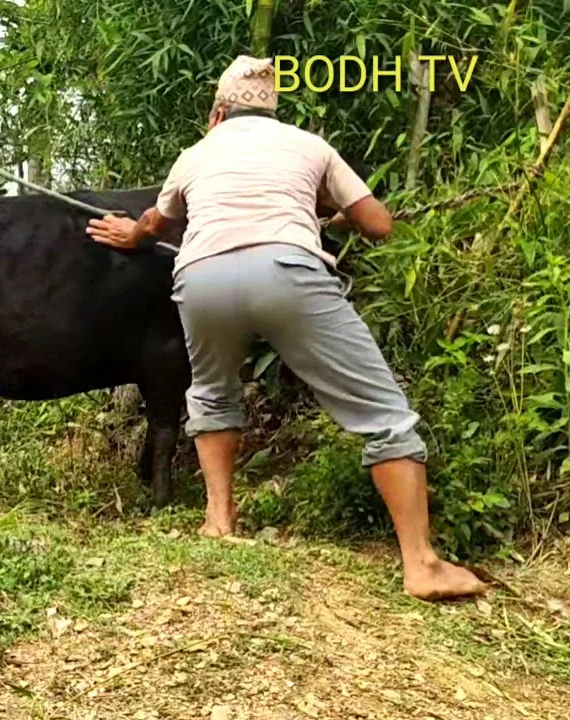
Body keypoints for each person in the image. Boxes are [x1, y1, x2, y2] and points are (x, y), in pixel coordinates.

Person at [86, 55, 487, 601]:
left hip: (202, 276)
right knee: (383, 413)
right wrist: (338, 215)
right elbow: (380, 224)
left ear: (217, 113)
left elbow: (156, 224)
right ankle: (421, 564)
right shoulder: (309, 145)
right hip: (287, 270)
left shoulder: (196, 154)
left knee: (211, 391)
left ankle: (220, 520)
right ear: (274, 113)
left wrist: (129, 234)